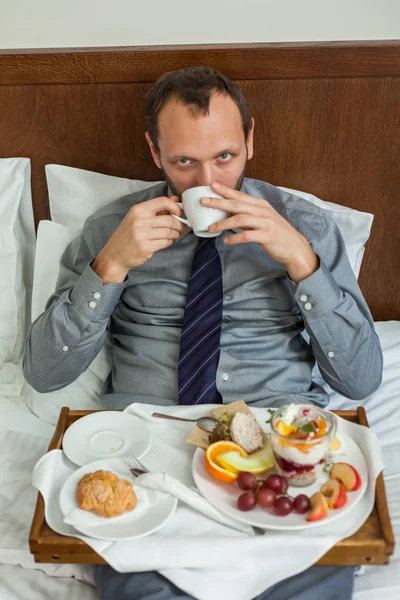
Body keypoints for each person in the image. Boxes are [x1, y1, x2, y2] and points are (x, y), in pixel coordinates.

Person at [23, 67, 383, 600]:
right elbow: (45, 372)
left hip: (280, 454)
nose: (209, 184)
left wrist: (302, 263)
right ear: (154, 152)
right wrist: (110, 267)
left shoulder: (303, 225)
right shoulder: (110, 231)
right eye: (184, 162)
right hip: (147, 457)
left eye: (225, 157)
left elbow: (361, 379)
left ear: (250, 141)